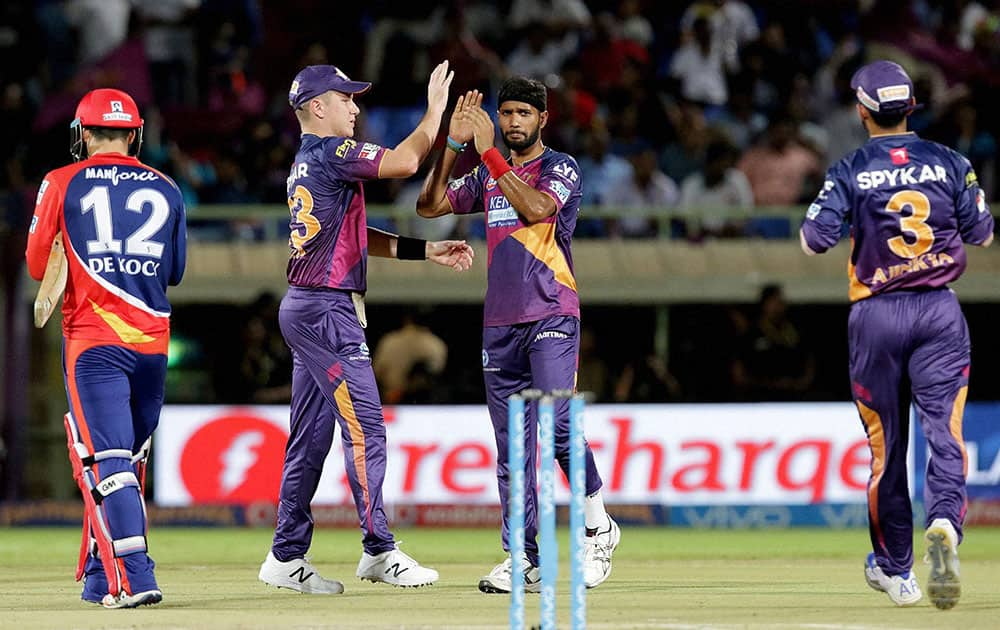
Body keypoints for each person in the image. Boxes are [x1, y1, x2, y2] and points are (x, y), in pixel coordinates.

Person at [257, 61, 475, 595]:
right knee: (367, 430)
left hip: (309, 305)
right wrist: (434, 114)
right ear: (316, 107)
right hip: (328, 310)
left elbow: (355, 235)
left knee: (310, 437)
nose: (356, 108)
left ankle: (286, 556)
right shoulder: (331, 153)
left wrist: (426, 252)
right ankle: (378, 549)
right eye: (346, 99)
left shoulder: (309, 162)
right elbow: (403, 163)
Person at [800, 60, 994, 610]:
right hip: (939, 311)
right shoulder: (951, 162)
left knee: (887, 450)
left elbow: (813, 239)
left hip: (876, 315)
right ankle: (946, 525)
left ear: (861, 111)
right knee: (945, 432)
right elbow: (982, 234)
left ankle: (897, 573)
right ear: (911, 107)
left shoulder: (850, 167)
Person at [415, 77, 619, 593]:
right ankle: (523, 559)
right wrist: (454, 145)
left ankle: (598, 528)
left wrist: (485, 153)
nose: (511, 122)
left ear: (542, 119)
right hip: (499, 323)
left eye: (522, 114)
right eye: (504, 113)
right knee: (513, 447)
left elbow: (535, 210)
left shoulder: (560, 167)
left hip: (551, 311)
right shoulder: (486, 172)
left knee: (556, 428)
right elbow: (430, 206)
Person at [25, 88, 187, 608]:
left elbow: (36, 266)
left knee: (108, 462)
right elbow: (176, 271)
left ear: (83, 133)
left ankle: (136, 578)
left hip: (94, 343)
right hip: (154, 346)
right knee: (125, 464)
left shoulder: (59, 181)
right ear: (135, 134)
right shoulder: (167, 186)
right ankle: (98, 577)